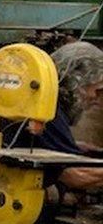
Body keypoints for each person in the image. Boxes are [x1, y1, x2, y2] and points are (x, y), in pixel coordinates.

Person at [27, 41, 103, 191]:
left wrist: (75, 146)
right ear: (76, 81)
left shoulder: (48, 104)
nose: (95, 98)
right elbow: (75, 175)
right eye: (96, 90)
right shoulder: (47, 109)